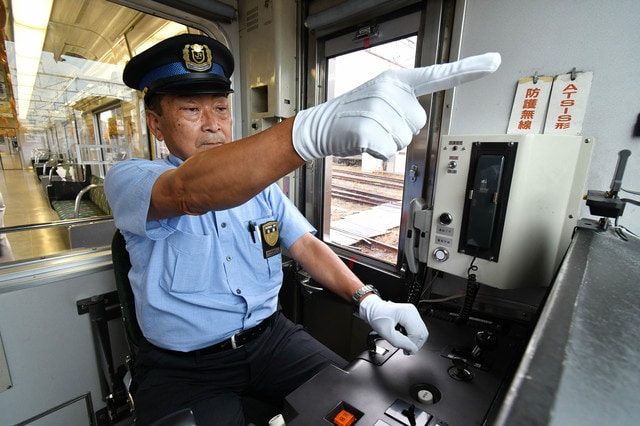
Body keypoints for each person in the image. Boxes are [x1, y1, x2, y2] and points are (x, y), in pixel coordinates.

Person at [105, 33, 500, 425]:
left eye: (221, 109)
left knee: (358, 403)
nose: (213, 126)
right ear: (156, 124)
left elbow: (305, 246)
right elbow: (189, 191)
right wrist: (309, 131)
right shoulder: (131, 179)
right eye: (192, 110)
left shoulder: (258, 187)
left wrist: (368, 301)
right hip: (184, 368)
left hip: (271, 340)